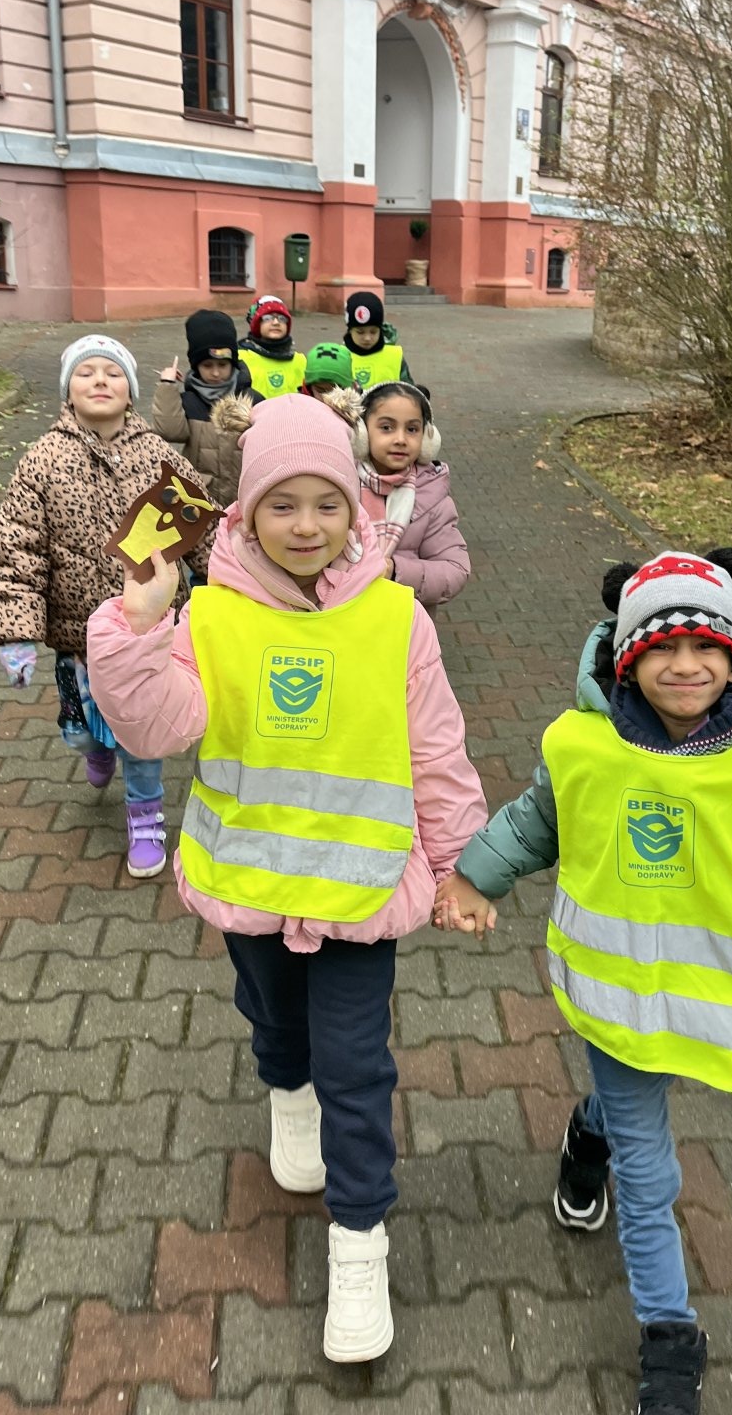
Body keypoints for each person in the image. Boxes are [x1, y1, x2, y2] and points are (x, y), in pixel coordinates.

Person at [84, 395, 487, 1365]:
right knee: (275, 1022)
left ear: (357, 507)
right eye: (282, 504)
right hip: (252, 885)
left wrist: (458, 864)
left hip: (359, 893)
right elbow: (156, 728)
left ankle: (359, 1243)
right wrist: (137, 623)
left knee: (358, 1066)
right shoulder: (211, 615)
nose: (307, 525)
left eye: (328, 503)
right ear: (245, 511)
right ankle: (286, 1091)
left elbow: (436, 750)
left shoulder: (396, 618)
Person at [434, 548, 732, 1415]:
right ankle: (670, 1334)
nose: (685, 665)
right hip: (616, 1003)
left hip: (720, 1011)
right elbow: (537, 821)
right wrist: (475, 877)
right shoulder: (584, 748)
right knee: (650, 1170)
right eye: (660, 647)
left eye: (707, 646)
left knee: (625, 1117)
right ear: (626, 658)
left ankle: (584, 1139)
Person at [0, 334, 217, 879]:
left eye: (113, 373)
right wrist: (18, 631)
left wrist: (223, 586)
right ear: (67, 390)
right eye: (86, 372)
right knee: (85, 730)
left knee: (140, 732)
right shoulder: (42, 460)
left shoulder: (159, 455)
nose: (100, 380)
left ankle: (145, 816)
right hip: (79, 642)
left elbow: (200, 526)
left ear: (131, 391)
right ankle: (95, 747)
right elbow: (17, 547)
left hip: (147, 633)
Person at [354, 382, 469, 615]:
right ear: (362, 433)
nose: (401, 439)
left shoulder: (433, 497)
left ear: (427, 440)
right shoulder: (339, 486)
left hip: (405, 625)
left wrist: (396, 571)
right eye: (387, 427)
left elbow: (455, 570)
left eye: (412, 429)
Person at [152, 309, 261, 506]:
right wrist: (167, 386)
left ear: (233, 363)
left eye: (222, 364)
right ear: (196, 366)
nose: (216, 373)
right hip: (201, 502)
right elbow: (169, 431)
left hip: (243, 501)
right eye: (208, 365)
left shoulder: (251, 399)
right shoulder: (189, 401)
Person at [343, 291, 415, 389]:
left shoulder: (394, 356)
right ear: (350, 330)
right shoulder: (340, 357)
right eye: (360, 332)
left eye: (373, 332)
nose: (367, 338)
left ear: (380, 329)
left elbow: (409, 392)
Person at [238, 294, 305, 398]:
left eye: (282, 318)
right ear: (257, 324)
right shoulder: (241, 358)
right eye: (267, 318)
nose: (276, 322)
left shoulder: (300, 360)